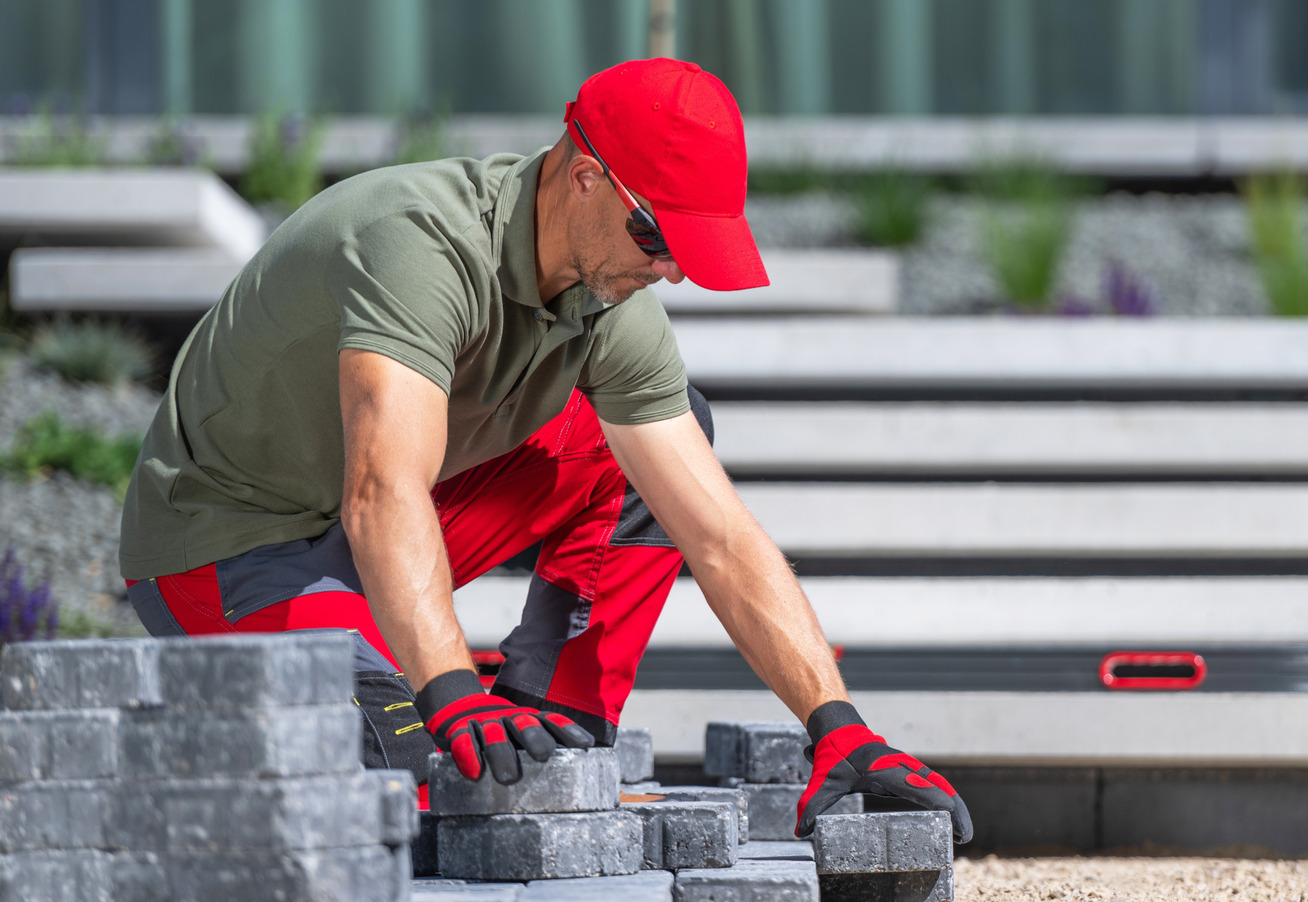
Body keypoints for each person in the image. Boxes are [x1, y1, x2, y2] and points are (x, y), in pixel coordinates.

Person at [118, 58, 970, 843]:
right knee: (419, 783)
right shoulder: (419, 245)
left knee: (654, 444)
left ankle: (548, 717)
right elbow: (381, 491)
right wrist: (448, 693)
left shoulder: (611, 299)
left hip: (367, 534)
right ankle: (457, 713)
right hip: (229, 552)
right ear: (587, 176)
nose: (671, 271)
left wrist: (838, 724)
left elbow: (717, 533)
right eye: (656, 238)